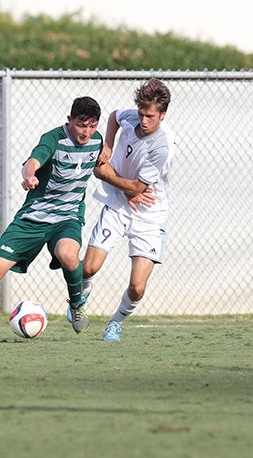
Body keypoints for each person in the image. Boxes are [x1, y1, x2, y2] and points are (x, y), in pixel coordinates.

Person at [0, 96, 103, 341]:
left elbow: (104, 152)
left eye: (92, 126)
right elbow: (33, 161)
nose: (86, 132)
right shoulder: (52, 139)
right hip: (32, 218)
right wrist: (29, 175)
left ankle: (76, 306)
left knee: (68, 254)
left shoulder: (97, 141)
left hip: (67, 218)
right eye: (81, 125)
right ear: (69, 120)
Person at [79, 78, 175, 341]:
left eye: (150, 117)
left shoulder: (162, 147)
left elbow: (137, 188)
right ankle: (80, 297)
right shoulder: (133, 116)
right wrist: (108, 146)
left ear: (162, 116)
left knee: (137, 287)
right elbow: (113, 117)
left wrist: (104, 173)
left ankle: (116, 322)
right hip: (118, 205)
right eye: (142, 114)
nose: (143, 121)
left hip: (149, 215)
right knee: (88, 269)